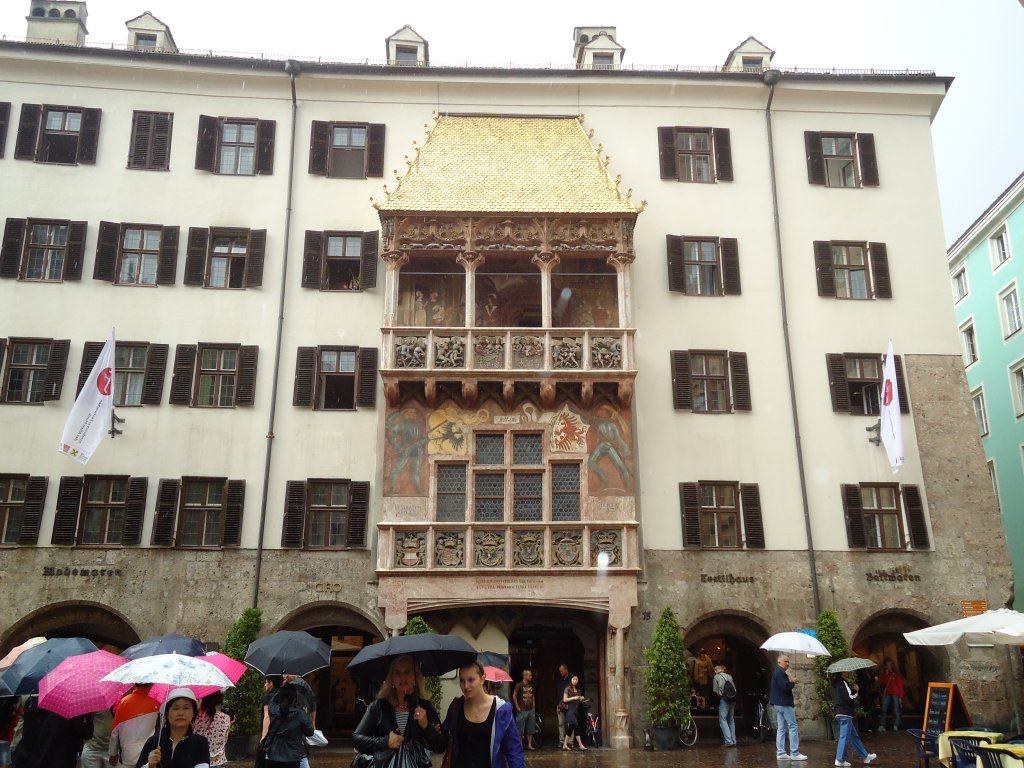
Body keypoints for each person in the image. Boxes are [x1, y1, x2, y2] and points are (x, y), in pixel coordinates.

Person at [353, 655, 446, 768]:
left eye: (407, 672)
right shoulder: (378, 707)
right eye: (397, 673)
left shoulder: (426, 707)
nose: (403, 678)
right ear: (391, 678)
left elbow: (441, 746)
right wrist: (385, 741)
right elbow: (357, 739)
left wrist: (426, 726)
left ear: (415, 677)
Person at [443, 660, 523, 768]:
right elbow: (442, 740)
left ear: (482, 679)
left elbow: (514, 750)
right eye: (462, 681)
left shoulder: (501, 710)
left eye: (471, 680)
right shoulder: (456, 707)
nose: (465, 686)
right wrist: (426, 727)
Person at [136, 688, 210, 768]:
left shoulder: (200, 743)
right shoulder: (153, 742)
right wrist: (149, 765)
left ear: (193, 713)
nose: (180, 713)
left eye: (186, 708)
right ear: (167, 713)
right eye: (175, 708)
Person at [11, 697, 92, 768]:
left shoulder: (33, 702)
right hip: (59, 760)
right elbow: (87, 734)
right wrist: (88, 712)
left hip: (31, 758)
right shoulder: (71, 708)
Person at [264, 684, 315, 768]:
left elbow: (271, 701)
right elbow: (310, 732)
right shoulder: (300, 714)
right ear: (294, 697)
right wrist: (306, 717)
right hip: (293, 756)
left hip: (273, 754)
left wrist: (280, 690)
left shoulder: (274, 710)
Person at [831, 672, 877, 766]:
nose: (848, 672)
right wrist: (856, 690)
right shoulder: (843, 682)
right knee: (844, 736)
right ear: (843, 672)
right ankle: (839, 759)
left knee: (853, 736)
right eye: (846, 671)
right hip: (845, 712)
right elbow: (849, 697)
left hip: (839, 712)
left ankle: (865, 756)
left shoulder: (835, 683)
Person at [110, 683, 160, 767]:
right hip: (149, 756)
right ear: (151, 684)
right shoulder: (156, 702)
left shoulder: (124, 702)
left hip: (127, 755)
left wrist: (113, 753)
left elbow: (115, 731)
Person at [769, 654, 807, 761]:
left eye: (788, 662)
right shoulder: (780, 673)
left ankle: (781, 752)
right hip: (784, 703)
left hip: (778, 704)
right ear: (779, 662)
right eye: (786, 661)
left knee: (781, 728)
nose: (788, 664)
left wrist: (789, 681)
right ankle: (794, 753)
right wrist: (793, 682)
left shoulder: (777, 672)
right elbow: (785, 687)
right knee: (793, 726)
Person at [192, 692, 231, 768]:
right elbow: (224, 739)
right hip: (219, 761)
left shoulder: (196, 717)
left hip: (199, 761)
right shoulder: (226, 718)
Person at [512, 668, 537, 751]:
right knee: (520, 728)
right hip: (522, 709)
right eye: (530, 675)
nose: (531, 677)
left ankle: (529, 744)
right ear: (525, 676)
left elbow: (533, 695)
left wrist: (533, 704)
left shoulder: (531, 685)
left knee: (531, 727)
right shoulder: (519, 685)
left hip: (530, 709)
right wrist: (517, 707)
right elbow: (514, 695)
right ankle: (520, 745)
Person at [561, 674, 588, 751]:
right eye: (573, 679)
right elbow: (565, 700)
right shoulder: (567, 689)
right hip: (570, 711)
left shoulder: (578, 689)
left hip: (576, 711)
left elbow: (579, 701)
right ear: (571, 680)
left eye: (576, 679)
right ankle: (580, 745)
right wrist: (574, 697)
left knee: (571, 728)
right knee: (576, 726)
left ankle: (565, 744)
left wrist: (581, 698)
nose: (575, 681)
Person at [712, 663, 737, 746]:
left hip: (724, 700)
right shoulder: (729, 676)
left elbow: (715, 691)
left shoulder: (716, 677)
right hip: (732, 700)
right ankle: (733, 740)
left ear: (716, 670)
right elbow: (735, 689)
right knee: (731, 720)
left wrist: (720, 699)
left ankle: (728, 741)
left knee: (723, 720)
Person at [877, 658, 904, 731]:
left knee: (895, 709)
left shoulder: (896, 674)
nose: (888, 666)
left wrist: (900, 696)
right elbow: (883, 682)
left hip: (895, 693)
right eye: (887, 665)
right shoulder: (885, 674)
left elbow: (900, 685)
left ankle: (896, 724)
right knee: (884, 709)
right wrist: (885, 673)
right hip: (888, 693)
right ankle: (882, 725)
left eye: (890, 665)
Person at [555, 663, 570, 743]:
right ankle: (561, 740)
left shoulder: (572, 679)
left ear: (566, 670)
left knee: (570, 723)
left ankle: (570, 742)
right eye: (560, 671)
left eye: (562, 671)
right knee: (561, 723)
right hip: (560, 704)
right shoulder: (559, 680)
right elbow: (557, 692)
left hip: (569, 704)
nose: (561, 673)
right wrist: (557, 704)